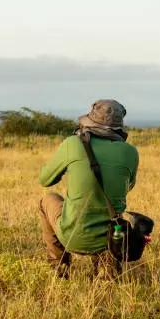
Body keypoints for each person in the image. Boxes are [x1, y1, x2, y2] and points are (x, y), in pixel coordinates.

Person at [38, 99, 139, 279]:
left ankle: (59, 267)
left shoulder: (72, 144)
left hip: (72, 235)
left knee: (47, 199)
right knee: (114, 210)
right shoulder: (130, 152)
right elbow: (128, 187)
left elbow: (45, 179)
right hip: (111, 238)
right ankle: (106, 262)